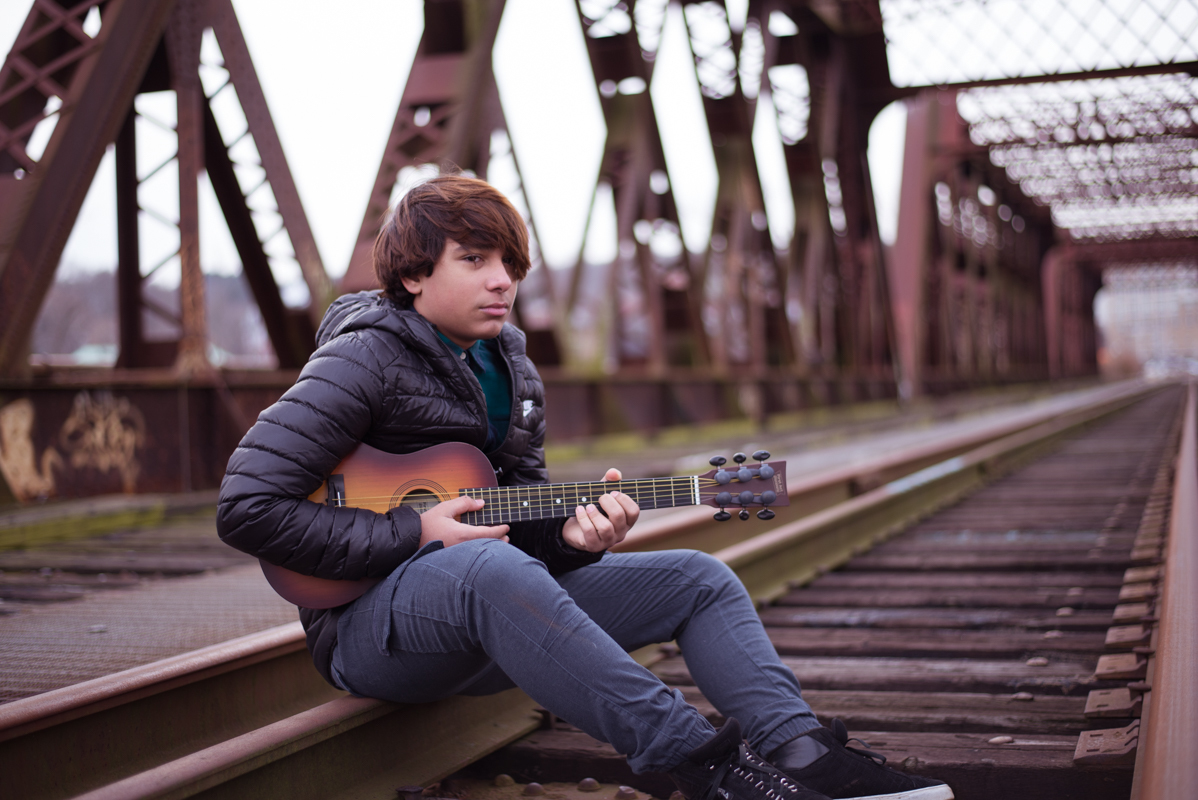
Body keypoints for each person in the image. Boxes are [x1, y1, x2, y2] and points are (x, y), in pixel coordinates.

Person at [216, 175, 952, 800]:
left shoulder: (512, 367)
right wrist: (416, 531)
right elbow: (247, 506)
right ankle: (707, 772)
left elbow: (520, 512)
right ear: (413, 276)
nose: (502, 279)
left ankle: (802, 755)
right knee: (486, 567)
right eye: (474, 260)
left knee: (697, 577)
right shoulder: (363, 360)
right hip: (371, 633)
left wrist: (569, 538)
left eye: (510, 262)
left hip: (485, 613)